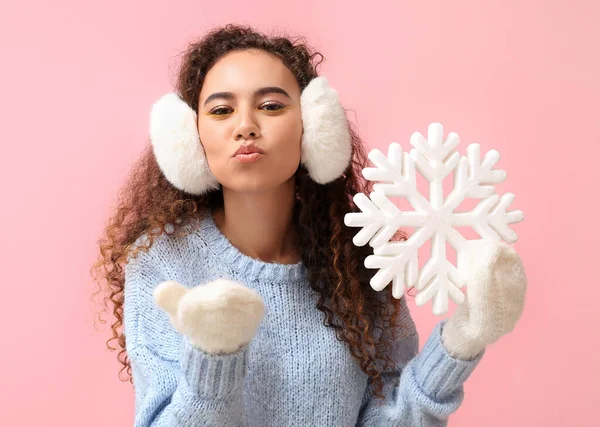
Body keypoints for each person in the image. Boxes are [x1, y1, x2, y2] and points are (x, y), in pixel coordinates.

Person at [91, 23, 527, 427]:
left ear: (314, 127)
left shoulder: (360, 259)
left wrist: (463, 339)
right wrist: (214, 355)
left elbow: (391, 418)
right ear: (188, 139)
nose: (246, 126)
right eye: (222, 110)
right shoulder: (160, 261)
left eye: (271, 105)